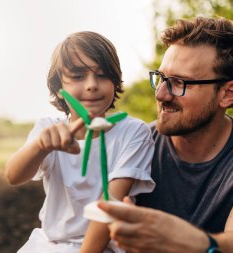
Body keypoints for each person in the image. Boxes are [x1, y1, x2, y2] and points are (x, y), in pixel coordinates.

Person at [5, 31, 155, 253]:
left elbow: (109, 205)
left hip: (102, 246)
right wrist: (40, 146)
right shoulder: (48, 128)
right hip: (49, 245)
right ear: (59, 88)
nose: (92, 85)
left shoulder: (133, 133)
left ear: (115, 81)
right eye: (78, 76)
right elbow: (13, 176)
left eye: (102, 75)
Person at [98, 16, 233, 252]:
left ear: (227, 94)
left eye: (180, 82)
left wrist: (199, 243)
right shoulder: (134, 145)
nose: (161, 94)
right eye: (160, 78)